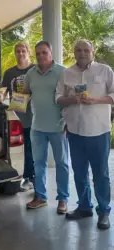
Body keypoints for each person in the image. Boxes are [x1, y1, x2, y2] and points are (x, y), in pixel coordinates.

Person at [56, 40, 113, 230]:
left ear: (92, 51)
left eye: (85, 50)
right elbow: (58, 98)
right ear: (74, 53)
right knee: (79, 173)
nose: (82, 53)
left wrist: (95, 100)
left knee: (100, 174)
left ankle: (104, 210)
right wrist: (72, 99)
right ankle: (84, 207)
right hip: (75, 131)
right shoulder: (67, 73)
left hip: (98, 131)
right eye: (78, 50)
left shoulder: (105, 71)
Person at [23, 41, 69, 214]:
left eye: (44, 52)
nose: (41, 56)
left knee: (62, 163)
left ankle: (63, 199)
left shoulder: (62, 72)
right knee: (39, 163)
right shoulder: (30, 73)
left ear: (51, 53)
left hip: (59, 127)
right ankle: (40, 197)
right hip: (37, 127)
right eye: (38, 53)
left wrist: (68, 122)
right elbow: (25, 94)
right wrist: (10, 102)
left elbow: (69, 97)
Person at [1, 42, 35, 191]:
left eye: (23, 51)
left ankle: (33, 178)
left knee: (33, 148)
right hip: (17, 117)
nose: (20, 53)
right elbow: (3, 91)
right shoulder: (9, 73)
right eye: (18, 51)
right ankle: (25, 177)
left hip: (35, 115)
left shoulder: (35, 69)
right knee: (22, 149)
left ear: (28, 52)